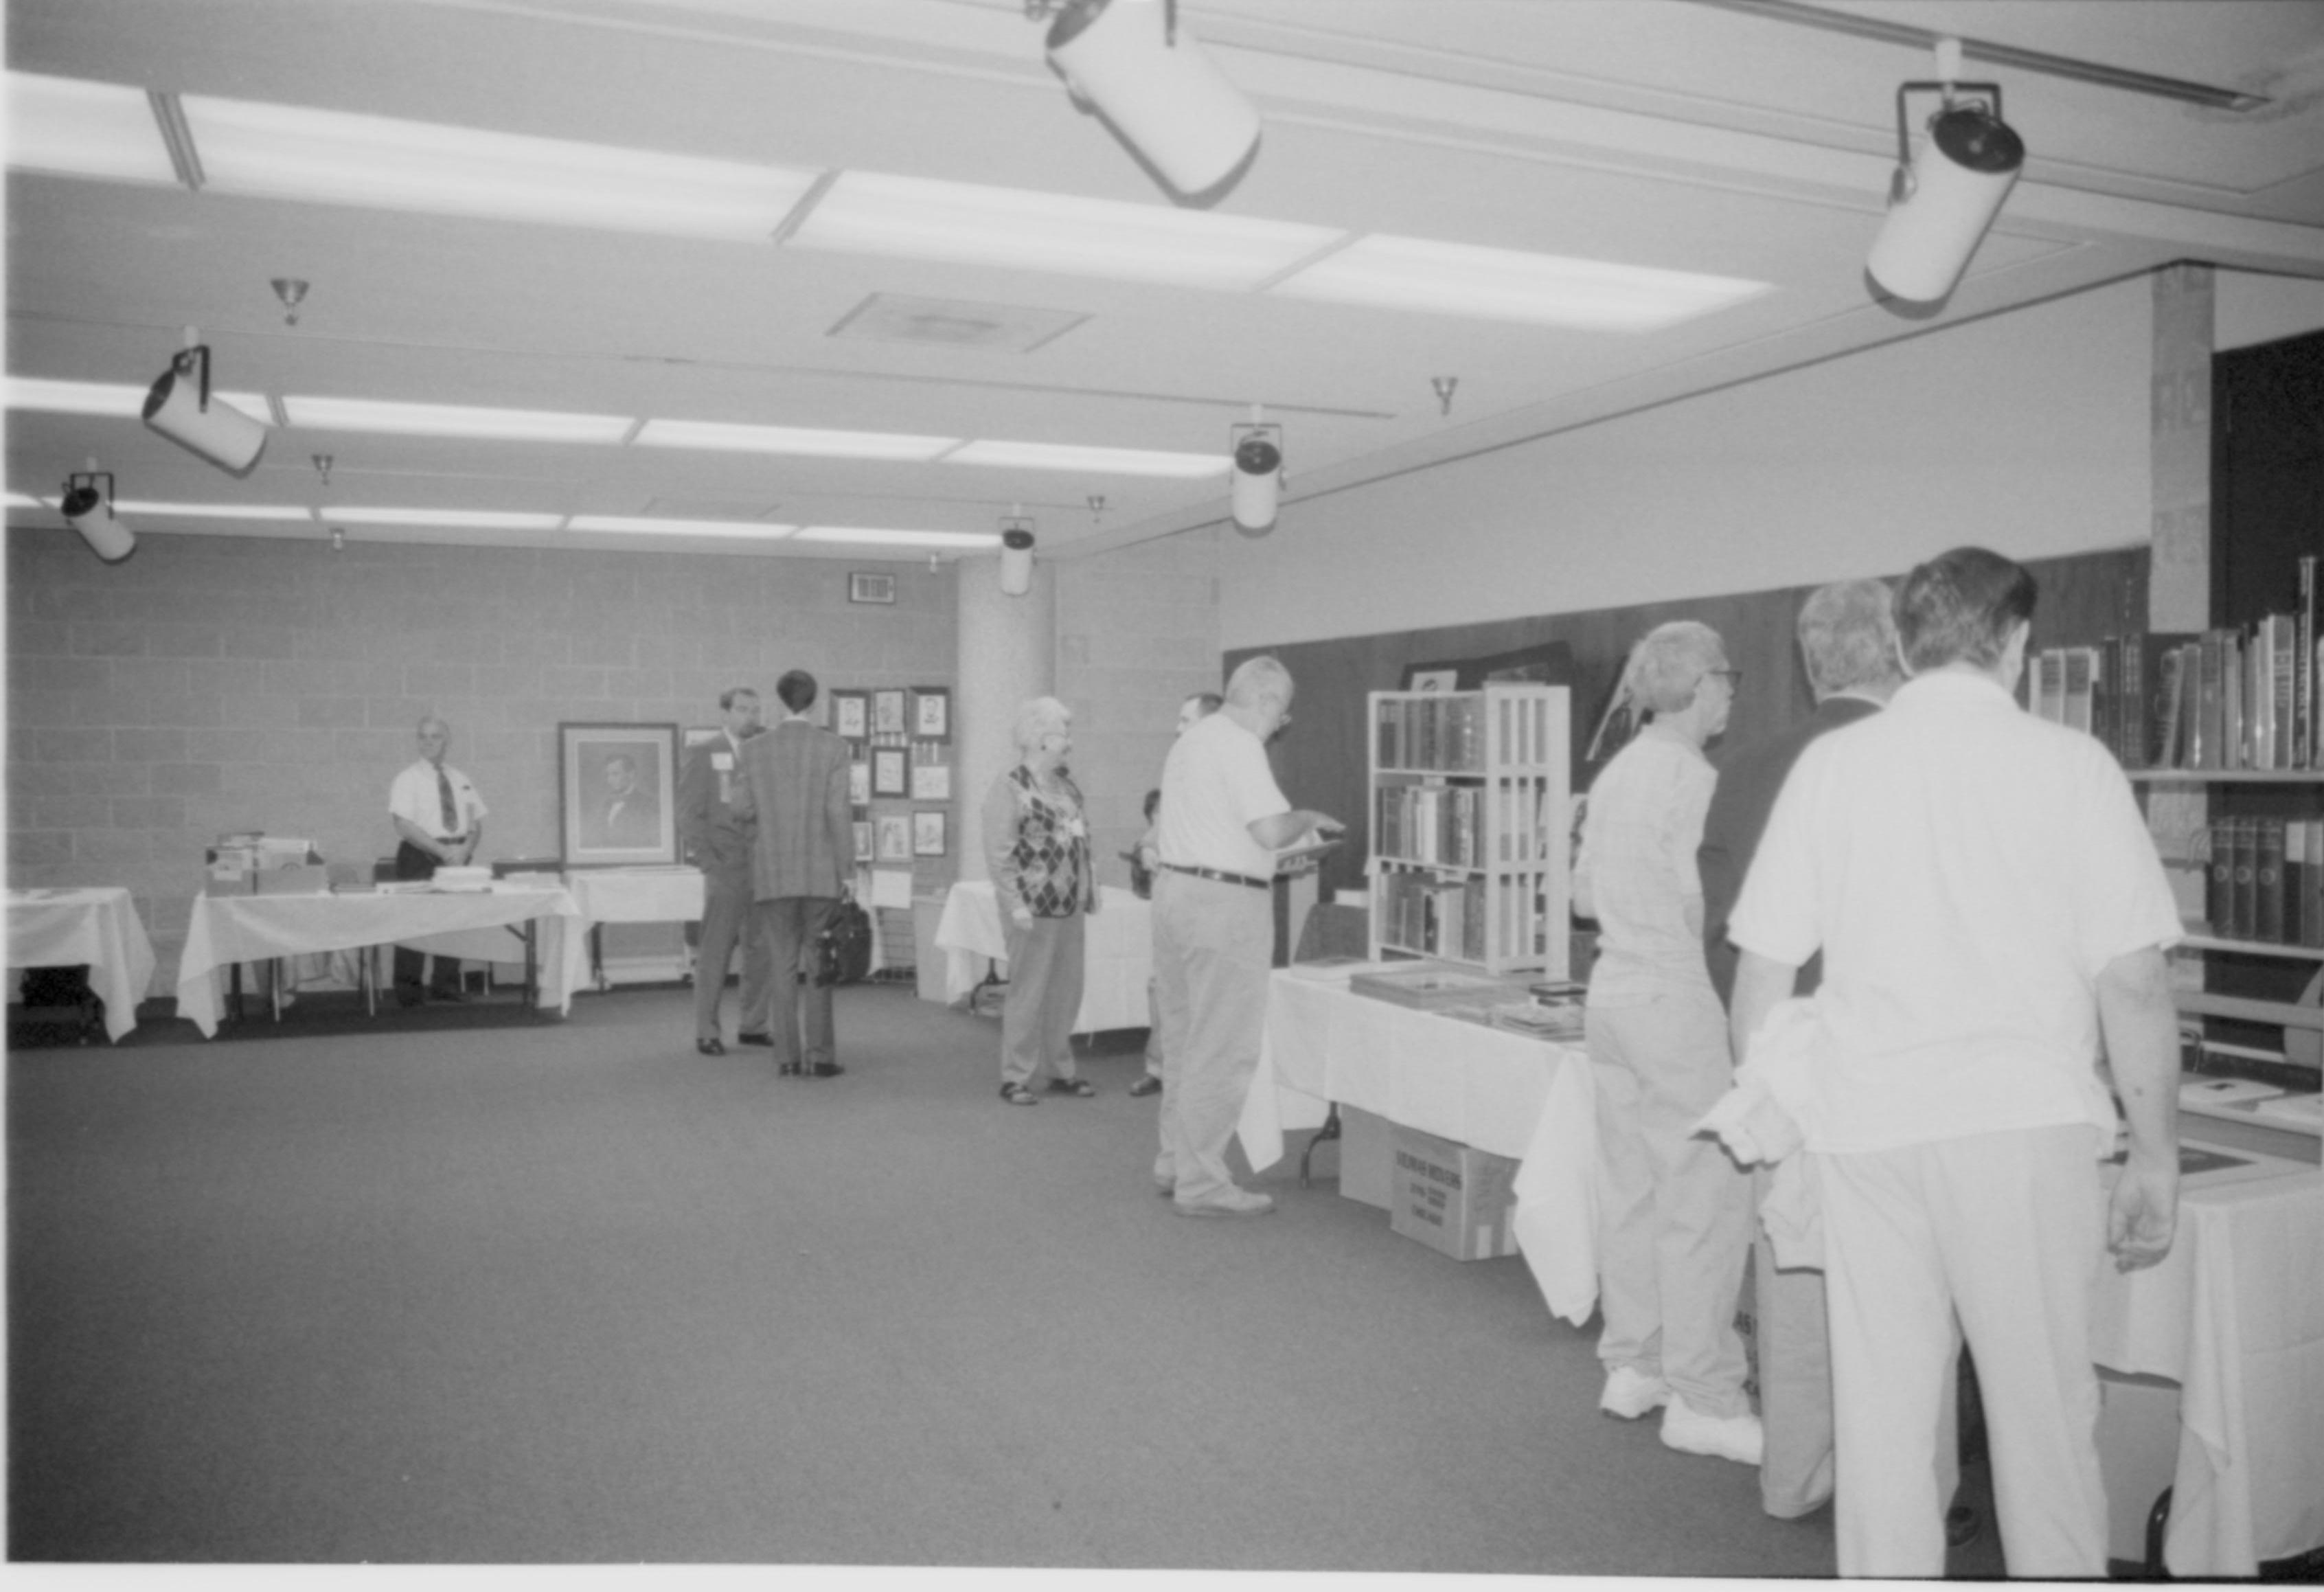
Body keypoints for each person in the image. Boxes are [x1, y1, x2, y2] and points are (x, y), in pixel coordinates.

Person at [1727, 546, 2182, 1578]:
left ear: (1900, 643)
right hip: (2022, 1127)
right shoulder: (2072, 767)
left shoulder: (1833, 767)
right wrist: (2156, 1155)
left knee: (1884, 1417)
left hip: (1869, 1126)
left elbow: (1761, 976)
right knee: (2045, 1413)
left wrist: (1773, 1118)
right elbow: (2135, 984)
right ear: (2019, 645)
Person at [1696, 579, 1902, 1521]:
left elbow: (1723, 933)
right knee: (1899, 1288)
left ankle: (1797, 1472)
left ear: (1811, 658)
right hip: (1893, 1056)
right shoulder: (1916, 758)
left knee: (1793, 1269)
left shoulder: (1750, 764)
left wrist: (1763, 1050)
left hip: (1786, 1050)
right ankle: (1899, 1483)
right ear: (1897, 649)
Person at [1571, 620, 1760, 1464]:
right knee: (1702, 1200)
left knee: (1633, 1188)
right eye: (1726, 677)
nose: (1730, 692)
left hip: (1609, 992)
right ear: (1696, 684)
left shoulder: (1618, 770)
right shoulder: (1692, 777)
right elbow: (1699, 906)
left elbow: (1581, 897)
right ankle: (1705, 1395)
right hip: (1671, 993)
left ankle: (1634, 1362)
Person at [1151, 657, 1341, 1218]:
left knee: (1184, 1042)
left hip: (1176, 895)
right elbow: (1268, 829)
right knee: (1223, 1048)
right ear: (1263, 700)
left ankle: (1175, 1161)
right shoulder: (1239, 743)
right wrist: (1306, 818)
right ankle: (1204, 1184)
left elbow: (1224, 832)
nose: (1280, 725)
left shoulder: (1193, 739)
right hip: (1224, 908)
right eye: (1281, 714)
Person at [730, 670, 854, 1080]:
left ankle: (786, 1056)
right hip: (821, 875)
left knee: (781, 964)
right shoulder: (834, 747)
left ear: (779, 702)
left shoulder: (752, 750)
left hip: (773, 874)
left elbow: (741, 810)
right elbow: (837, 812)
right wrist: (847, 870)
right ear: (814, 703)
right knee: (820, 963)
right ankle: (821, 1057)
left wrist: (762, 841)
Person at [982, 696, 1102, 1106]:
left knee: (1066, 991)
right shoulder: (1010, 784)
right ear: (1042, 738)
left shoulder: (1066, 785)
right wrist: (1014, 903)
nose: (1069, 741)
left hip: (1070, 905)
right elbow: (999, 852)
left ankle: (1059, 1069)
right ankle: (1016, 1075)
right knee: (1029, 992)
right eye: (1063, 733)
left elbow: (1081, 840)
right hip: (1031, 907)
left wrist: (1088, 892)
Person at [1131, 691, 1223, 1100]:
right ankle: (1162, 1068)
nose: (1178, 729)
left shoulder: (1228, 777)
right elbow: (1150, 841)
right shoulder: (1180, 776)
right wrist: (1150, 852)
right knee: (1164, 989)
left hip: (1214, 911)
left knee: (1207, 998)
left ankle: (1201, 1080)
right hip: (1174, 908)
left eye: (1186, 721)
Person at [679, 687, 768, 1057]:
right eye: (743, 710)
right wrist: (708, 860)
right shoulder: (705, 752)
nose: (750, 717)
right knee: (715, 951)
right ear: (725, 714)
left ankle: (753, 1025)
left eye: (755, 710)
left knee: (761, 950)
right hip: (724, 866)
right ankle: (706, 1031)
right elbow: (689, 813)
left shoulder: (764, 751)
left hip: (762, 866)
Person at [386, 715, 487, 1005]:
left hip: (457, 856)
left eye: (435, 737)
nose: (428, 742)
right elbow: (403, 824)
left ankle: (446, 984)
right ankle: (408, 991)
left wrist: (466, 849)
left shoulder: (460, 779)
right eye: (423, 737)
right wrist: (443, 853)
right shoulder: (408, 779)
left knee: (452, 921)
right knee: (413, 922)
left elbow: (475, 822)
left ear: (447, 741)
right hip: (420, 855)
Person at [591, 753, 658, 850]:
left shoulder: (648, 804)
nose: (609, 780)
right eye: (608, 775)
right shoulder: (607, 803)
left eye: (615, 774)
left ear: (631, 774)